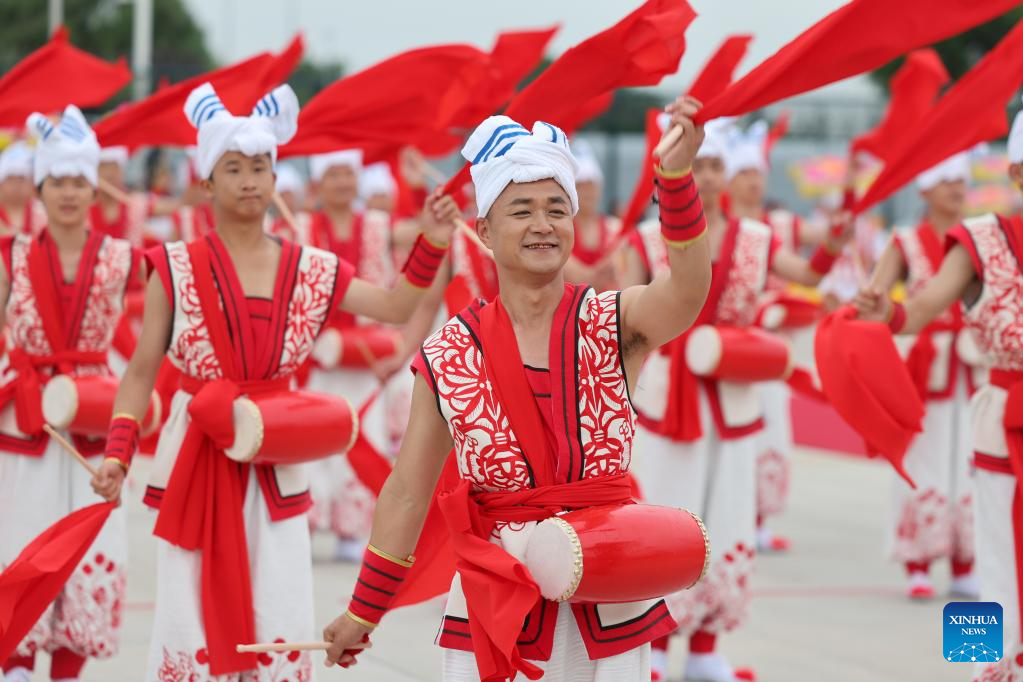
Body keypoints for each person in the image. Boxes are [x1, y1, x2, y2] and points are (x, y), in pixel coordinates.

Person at [321, 97, 711, 681]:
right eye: (521, 209)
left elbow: (685, 290)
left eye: (557, 208)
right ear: (483, 229)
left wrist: (675, 179)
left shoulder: (613, 321)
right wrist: (363, 610)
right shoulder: (450, 353)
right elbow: (407, 492)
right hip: (499, 595)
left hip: (609, 591)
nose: (541, 224)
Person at [88, 81, 459, 681]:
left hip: (276, 452)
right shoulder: (174, 264)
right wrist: (117, 455)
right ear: (207, 181)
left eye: (259, 166)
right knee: (190, 601)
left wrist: (434, 239)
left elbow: (394, 305)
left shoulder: (308, 266)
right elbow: (139, 372)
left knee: (279, 597)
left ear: (275, 174)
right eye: (232, 168)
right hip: (195, 458)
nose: (248, 180)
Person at [622, 118, 851, 682]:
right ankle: (650, 649)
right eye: (696, 164)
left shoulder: (757, 238)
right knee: (663, 517)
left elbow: (808, 276)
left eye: (715, 165)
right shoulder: (646, 242)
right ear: (674, 173)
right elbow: (619, 316)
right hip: (664, 400)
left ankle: (704, 648)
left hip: (733, 398)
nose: (706, 175)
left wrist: (833, 245)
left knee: (725, 516)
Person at [855, 113, 1023, 682]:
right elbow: (919, 309)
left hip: (972, 385)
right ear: (1018, 172)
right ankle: (978, 668)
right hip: (999, 411)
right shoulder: (980, 240)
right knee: (995, 565)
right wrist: (889, 313)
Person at [0, 106, 138, 682]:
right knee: (22, 542)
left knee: (88, 550)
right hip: (24, 420)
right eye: (56, 181)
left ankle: (65, 673)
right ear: (40, 187)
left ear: (94, 186)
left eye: (78, 181)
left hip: (93, 414)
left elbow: (147, 343)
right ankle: (16, 665)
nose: (68, 192)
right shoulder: (9, 254)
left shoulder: (124, 257)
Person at [864, 152, 980, 600]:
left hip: (972, 364)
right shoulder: (906, 241)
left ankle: (966, 560)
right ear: (924, 188)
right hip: (921, 367)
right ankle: (918, 560)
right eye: (945, 178)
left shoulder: (977, 238)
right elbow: (876, 296)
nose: (955, 187)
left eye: (960, 179)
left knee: (971, 461)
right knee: (922, 461)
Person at [0, 142, 43, 237]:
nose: (16, 185)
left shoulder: (43, 213)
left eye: (21, 178)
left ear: (32, 183)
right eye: (10, 178)